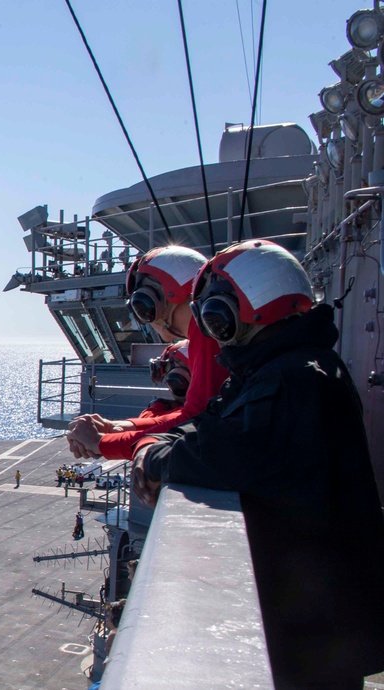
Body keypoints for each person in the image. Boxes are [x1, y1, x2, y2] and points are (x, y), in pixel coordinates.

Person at [129, 240, 384, 687]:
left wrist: (153, 457)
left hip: (312, 629)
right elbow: (211, 425)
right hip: (314, 614)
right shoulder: (287, 368)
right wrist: (158, 447)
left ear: (238, 312)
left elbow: (225, 452)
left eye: (213, 313)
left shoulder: (293, 380)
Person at [68, 246, 228, 460]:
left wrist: (101, 444)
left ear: (157, 299)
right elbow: (189, 415)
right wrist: (118, 427)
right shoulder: (207, 332)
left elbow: (195, 422)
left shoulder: (204, 334)